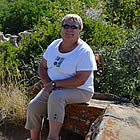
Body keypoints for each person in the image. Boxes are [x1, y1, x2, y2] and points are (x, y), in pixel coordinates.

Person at [25, 14, 97, 140]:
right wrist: (48, 83)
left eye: (74, 27)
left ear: (80, 30)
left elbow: (81, 80)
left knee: (56, 97)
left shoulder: (84, 51)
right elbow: (42, 67)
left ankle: (53, 137)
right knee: (33, 107)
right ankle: (34, 138)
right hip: (54, 87)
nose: (69, 29)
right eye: (66, 26)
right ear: (61, 28)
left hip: (80, 90)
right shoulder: (54, 45)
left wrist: (55, 84)